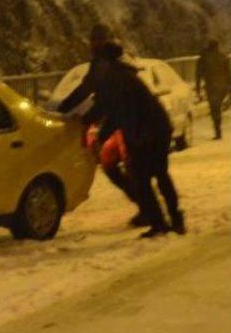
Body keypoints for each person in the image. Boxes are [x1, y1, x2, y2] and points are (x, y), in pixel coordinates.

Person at [59, 24, 184, 238]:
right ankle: (172, 220)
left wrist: (93, 128)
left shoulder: (112, 75)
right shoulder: (111, 70)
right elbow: (90, 94)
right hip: (153, 125)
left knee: (143, 175)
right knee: (154, 174)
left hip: (147, 128)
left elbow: (110, 108)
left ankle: (160, 223)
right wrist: (63, 110)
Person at [196, 39, 230, 140]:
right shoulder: (223, 57)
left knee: (214, 109)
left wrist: (198, 88)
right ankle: (218, 129)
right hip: (222, 86)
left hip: (211, 86)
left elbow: (198, 74)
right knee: (217, 107)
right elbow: (228, 73)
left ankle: (218, 130)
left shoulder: (204, 58)